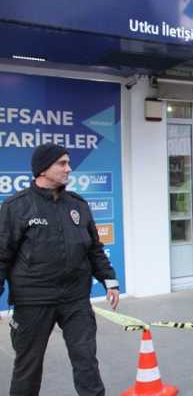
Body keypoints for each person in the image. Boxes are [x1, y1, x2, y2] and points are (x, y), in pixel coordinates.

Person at [0, 144, 120, 396]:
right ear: (43, 169)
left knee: (86, 361)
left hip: (75, 299)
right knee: (27, 367)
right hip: (34, 300)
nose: (69, 169)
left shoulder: (78, 204)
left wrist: (109, 280)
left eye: (68, 163)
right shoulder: (16, 207)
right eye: (62, 164)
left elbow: (94, 247)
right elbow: (2, 255)